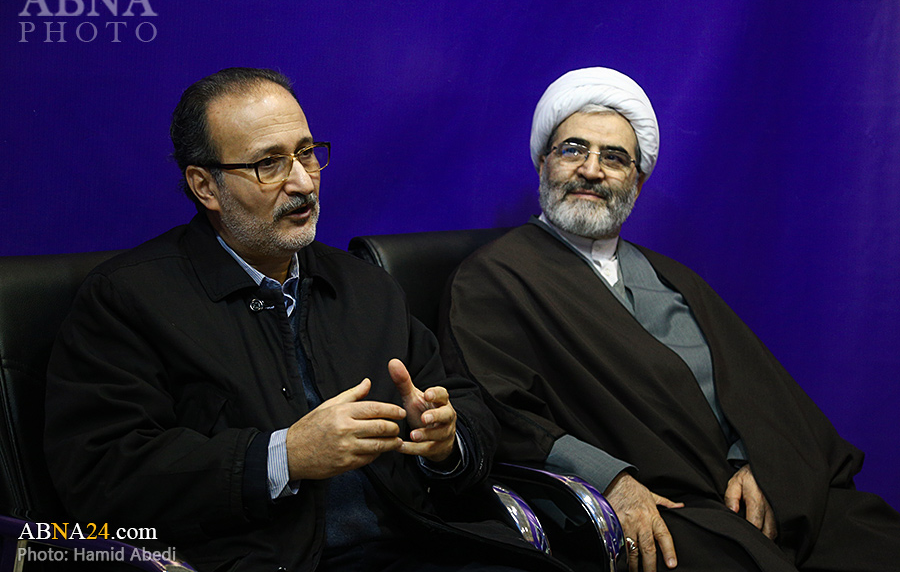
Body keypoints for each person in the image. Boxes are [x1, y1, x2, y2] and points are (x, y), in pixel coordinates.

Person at [44, 67, 563, 572]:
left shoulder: (366, 286)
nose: (301, 182)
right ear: (205, 186)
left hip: (418, 543)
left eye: (307, 153)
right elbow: (101, 475)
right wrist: (284, 457)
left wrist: (446, 442)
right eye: (268, 163)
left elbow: (461, 402)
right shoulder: (129, 299)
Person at [439, 67, 900, 572]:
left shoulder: (674, 278)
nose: (591, 170)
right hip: (660, 503)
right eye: (573, 150)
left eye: (614, 158)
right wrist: (611, 480)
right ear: (543, 163)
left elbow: (762, 392)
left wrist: (759, 462)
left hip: (753, 491)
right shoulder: (493, 278)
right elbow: (500, 411)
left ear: (637, 182)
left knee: (875, 540)